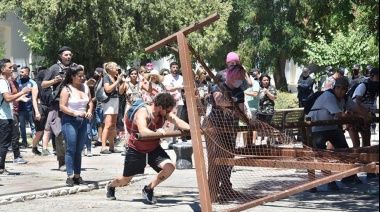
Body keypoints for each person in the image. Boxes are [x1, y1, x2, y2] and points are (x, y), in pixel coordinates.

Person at [105, 93, 190, 204]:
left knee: (169, 167)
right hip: (136, 149)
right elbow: (143, 130)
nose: (169, 113)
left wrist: (193, 129)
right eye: (168, 110)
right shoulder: (143, 113)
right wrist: (157, 132)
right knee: (125, 180)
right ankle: (110, 186)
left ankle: (148, 189)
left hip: (153, 148)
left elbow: (177, 121)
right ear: (160, 107)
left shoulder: (163, 113)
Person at [308, 77, 373, 190]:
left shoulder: (345, 98)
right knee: (321, 155)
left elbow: (356, 107)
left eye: (343, 89)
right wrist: (361, 117)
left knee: (345, 151)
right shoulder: (328, 96)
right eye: (338, 88)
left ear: (346, 90)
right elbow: (339, 115)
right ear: (334, 87)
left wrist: (367, 115)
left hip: (332, 127)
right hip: (317, 129)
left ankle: (349, 176)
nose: (340, 91)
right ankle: (330, 181)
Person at [206, 64, 246, 201]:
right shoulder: (218, 87)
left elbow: (240, 111)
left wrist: (244, 115)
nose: (239, 80)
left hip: (230, 128)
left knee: (229, 157)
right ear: (231, 76)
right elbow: (219, 101)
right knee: (216, 157)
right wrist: (231, 103)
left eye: (241, 78)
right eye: (238, 77)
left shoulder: (240, 91)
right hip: (215, 127)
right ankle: (213, 188)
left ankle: (226, 187)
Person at [59, 64, 93, 186]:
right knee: (71, 148)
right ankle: (70, 175)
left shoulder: (85, 87)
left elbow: (90, 102)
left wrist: (89, 111)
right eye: (79, 76)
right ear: (72, 76)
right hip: (70, 120)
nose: (82, 78)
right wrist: (74, 113)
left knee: (79, 150)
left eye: (83, 75)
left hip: (83, 121)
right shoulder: (66, 89)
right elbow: (62, 106)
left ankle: (77, 175)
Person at [42, 46, 74, 171]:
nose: (68, 57)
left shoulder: (74, 67)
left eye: (70, 54)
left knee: (71, 134)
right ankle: (61, 162)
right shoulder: (54, 68)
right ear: (60, 56)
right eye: (66, 55)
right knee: (59, 133)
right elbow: (43, 84)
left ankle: (71, 160)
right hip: (57, 104)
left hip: (72, 104)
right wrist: (54, 81)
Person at [0, 59, 32, 175]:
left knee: (4, 143)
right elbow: (8, 98)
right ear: (3, 69)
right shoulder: (2, 82)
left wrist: (19, 97)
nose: (12, 69)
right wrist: (22, 92)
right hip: (4, 117)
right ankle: (1, 168)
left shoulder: (5, 81)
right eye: (9, 67)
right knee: (3, 144)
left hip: (5, 116)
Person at [348, 68, 379, 150]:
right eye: (377, 76)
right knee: (356, 144)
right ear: (371, 76)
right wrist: (370, 111)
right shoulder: (363, 86)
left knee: (367, 144)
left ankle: (365, 162)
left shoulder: (376, 88)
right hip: (354, 115)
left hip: (366, 116)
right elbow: (356, 104)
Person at [99, 62, 125, 154]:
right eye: (115, 68)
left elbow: (120, 91)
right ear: (110, 69)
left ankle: (112, 146)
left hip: (116, 100)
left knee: (113, 124)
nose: (117, 69)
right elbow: (107, 89)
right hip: (108, 101)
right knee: (108, 124)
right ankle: (103, 147)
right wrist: (117, 81)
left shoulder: (115, 78)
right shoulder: (106, 77)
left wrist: (122, 81)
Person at [8, 64, 28, 164]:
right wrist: (21, 94)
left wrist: (21, 98)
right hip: (9, 111)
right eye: (13, 69)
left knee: (15, 133)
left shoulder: (15, 82)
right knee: (15, 134)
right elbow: (8, 98)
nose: (15, 71)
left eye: (16, 69)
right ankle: (16, 156)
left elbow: (13, 97)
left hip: (15, 111)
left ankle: (17, 155)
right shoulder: (7, 82)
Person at [162, 62, 186, 146]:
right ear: (170, 68)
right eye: (173, 67)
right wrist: (178, 87)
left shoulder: (181, 78)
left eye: (176, 67)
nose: (175, 69)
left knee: (177, 120)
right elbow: (168, 88)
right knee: (168, 120)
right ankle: (168, 139)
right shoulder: (166, 77)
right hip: (169, 103)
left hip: (179, 102)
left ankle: (174, 139)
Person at [32, 66, 53, 156]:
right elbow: (34, 99)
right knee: (39, 130)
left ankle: (45, 148)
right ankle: (34, 146)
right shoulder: (36, 85)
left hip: (49, 107)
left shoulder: (50, 87)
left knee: (47, 129)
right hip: (40, 107)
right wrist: (37, 112)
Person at [16, 66, 37, 149]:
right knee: (22, 126)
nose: (20, 73)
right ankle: (24, 142)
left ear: (27, 73)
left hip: (30, 108)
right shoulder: (17, 82)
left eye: (22, 72)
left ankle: (34, 144)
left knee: (33, 126)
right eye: (20, 72)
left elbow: (36, 95)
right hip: (21, 109)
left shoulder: (32, 82)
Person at [244, 71, 260, 143]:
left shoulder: (255, 83)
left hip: (253, 109)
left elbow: (255, 94)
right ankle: (246, 144)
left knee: (253, 127)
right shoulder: (243, 83)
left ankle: (253, 143)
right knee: (245, 128)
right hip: (244, 108)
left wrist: (243, 92)